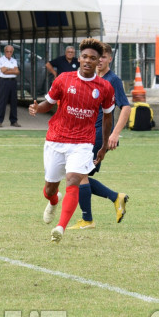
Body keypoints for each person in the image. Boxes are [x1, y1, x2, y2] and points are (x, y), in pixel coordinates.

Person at [28, 38, 115, 243]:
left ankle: (61, 227)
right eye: (84, 56)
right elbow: (48, 104)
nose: (88, 61)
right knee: (50, 188)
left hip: (83, 142)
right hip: (56, 139)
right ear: (79, 58)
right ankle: (53, 201)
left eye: (93, 58)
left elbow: (108, 117)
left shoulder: (104, 87)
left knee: (74, 179)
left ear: (98, 62)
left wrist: (103, 146)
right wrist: (36, 108)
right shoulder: (63, 79)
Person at [68, 42, 131, 230]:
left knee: (78, 174)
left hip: (97, 135)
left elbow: (126, 107)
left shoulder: (112, 80)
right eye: (97, 57)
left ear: (109, 59)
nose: (99, 60)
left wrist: (115, 133)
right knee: (79, 175)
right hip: (84, 133)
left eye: (103, 57)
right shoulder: (92, 79)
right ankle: (115, 197)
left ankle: (87, 220)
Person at [0, 45, 21, 128]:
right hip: (4, 81)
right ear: (5, 51)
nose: (9, 53)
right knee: (2, 101)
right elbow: (3, 71)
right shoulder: (1, 59)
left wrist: (8, 70)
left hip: (13, 81)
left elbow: (17, 72)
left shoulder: (14, 60)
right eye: (7, 51)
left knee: (14, 101)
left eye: (10, 52)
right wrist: (12, 70)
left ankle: (14, 120)